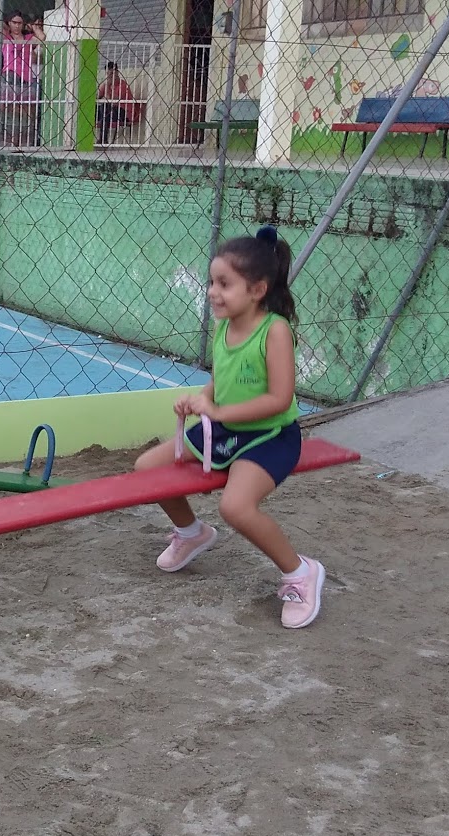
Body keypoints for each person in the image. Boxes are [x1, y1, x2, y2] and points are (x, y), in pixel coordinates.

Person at [133, 225, 325, 629]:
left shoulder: (275, 330)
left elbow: (279, 399)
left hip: (270, 436)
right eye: (211, 282)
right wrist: (200, 399)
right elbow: (222, 379)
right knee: (147, 468)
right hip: (226, 430)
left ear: (257, 290)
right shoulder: (224, 325)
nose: (212, 292)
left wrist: (217, 412)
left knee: (235, 507)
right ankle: (192, 533)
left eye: (224, 284)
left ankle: (300, 572)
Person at [0, 11, 43, 146]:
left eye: (20, 23)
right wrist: (7, 26)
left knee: (26, 111)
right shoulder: (6, 37)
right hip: (9, 76)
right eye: (14, 22)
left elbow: (42, 37)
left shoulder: (28, 38)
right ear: (9, 23)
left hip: (25, 78)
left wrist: (33, 27)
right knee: (8, 109)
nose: (17, 26)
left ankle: (22, 139)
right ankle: (8, 139)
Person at [97, 61, 139, 145]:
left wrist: (107, 87)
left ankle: (103, 139)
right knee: (97, 109)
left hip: (123, 113)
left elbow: (113, 100)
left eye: (112, 73)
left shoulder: (122, 85)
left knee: (105, 108)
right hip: (109, 112)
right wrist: (104, 85)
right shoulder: (107, 84)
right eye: (108, 74)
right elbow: (97, 97)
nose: (110, 76)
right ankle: (101, 139)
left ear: (117, 73)